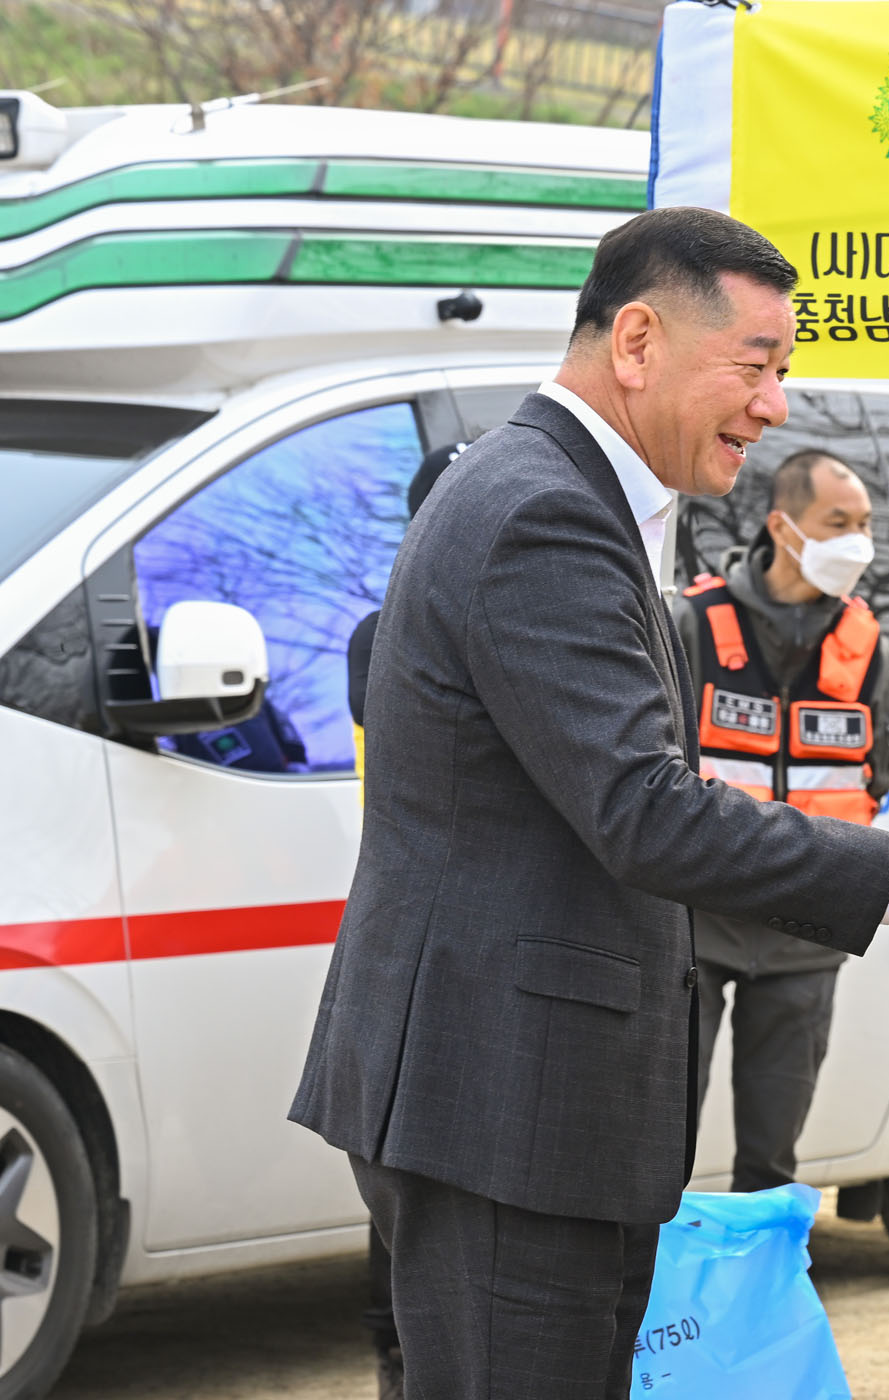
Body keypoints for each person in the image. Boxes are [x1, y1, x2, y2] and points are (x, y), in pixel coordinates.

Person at [290, 206, 889, 1400]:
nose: (777, 404)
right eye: (755, 364)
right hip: (502, 1105)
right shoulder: (540, 511)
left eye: (784, 370)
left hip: (530, 1105)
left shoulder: (565, 493)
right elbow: (644, 805)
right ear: (638, 340)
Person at [671, 449, 889, 1193]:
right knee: (656, 1145)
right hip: (694, 924)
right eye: (838, 522)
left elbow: (875, 777)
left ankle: (765, 1270)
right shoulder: (694, 624)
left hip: (805, 930)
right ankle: (646, 1270)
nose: (858, 542)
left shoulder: (868, 649)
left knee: (772, 1163)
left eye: (865, 524)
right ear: (783, 526)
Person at [342, 438, 468, 1400]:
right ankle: (395, 1351)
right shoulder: (383, 632)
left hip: (461, 922)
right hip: (414, 916)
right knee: (401, 1163)